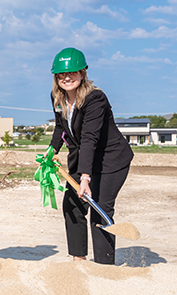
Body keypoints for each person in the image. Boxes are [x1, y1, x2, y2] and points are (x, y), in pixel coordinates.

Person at [48, 48, 133, 265]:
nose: (67, 78)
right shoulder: (57, 97)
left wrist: (85, 178)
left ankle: (104, 266)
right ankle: (79, 260)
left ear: (83, 73)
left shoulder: (96, 98)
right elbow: (60, 128)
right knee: (72, 203)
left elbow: (89, 138)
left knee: (100, 208)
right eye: (61, 74)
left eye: (72, 73)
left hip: (110, 159)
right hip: (83, 157)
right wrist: (51, 151)